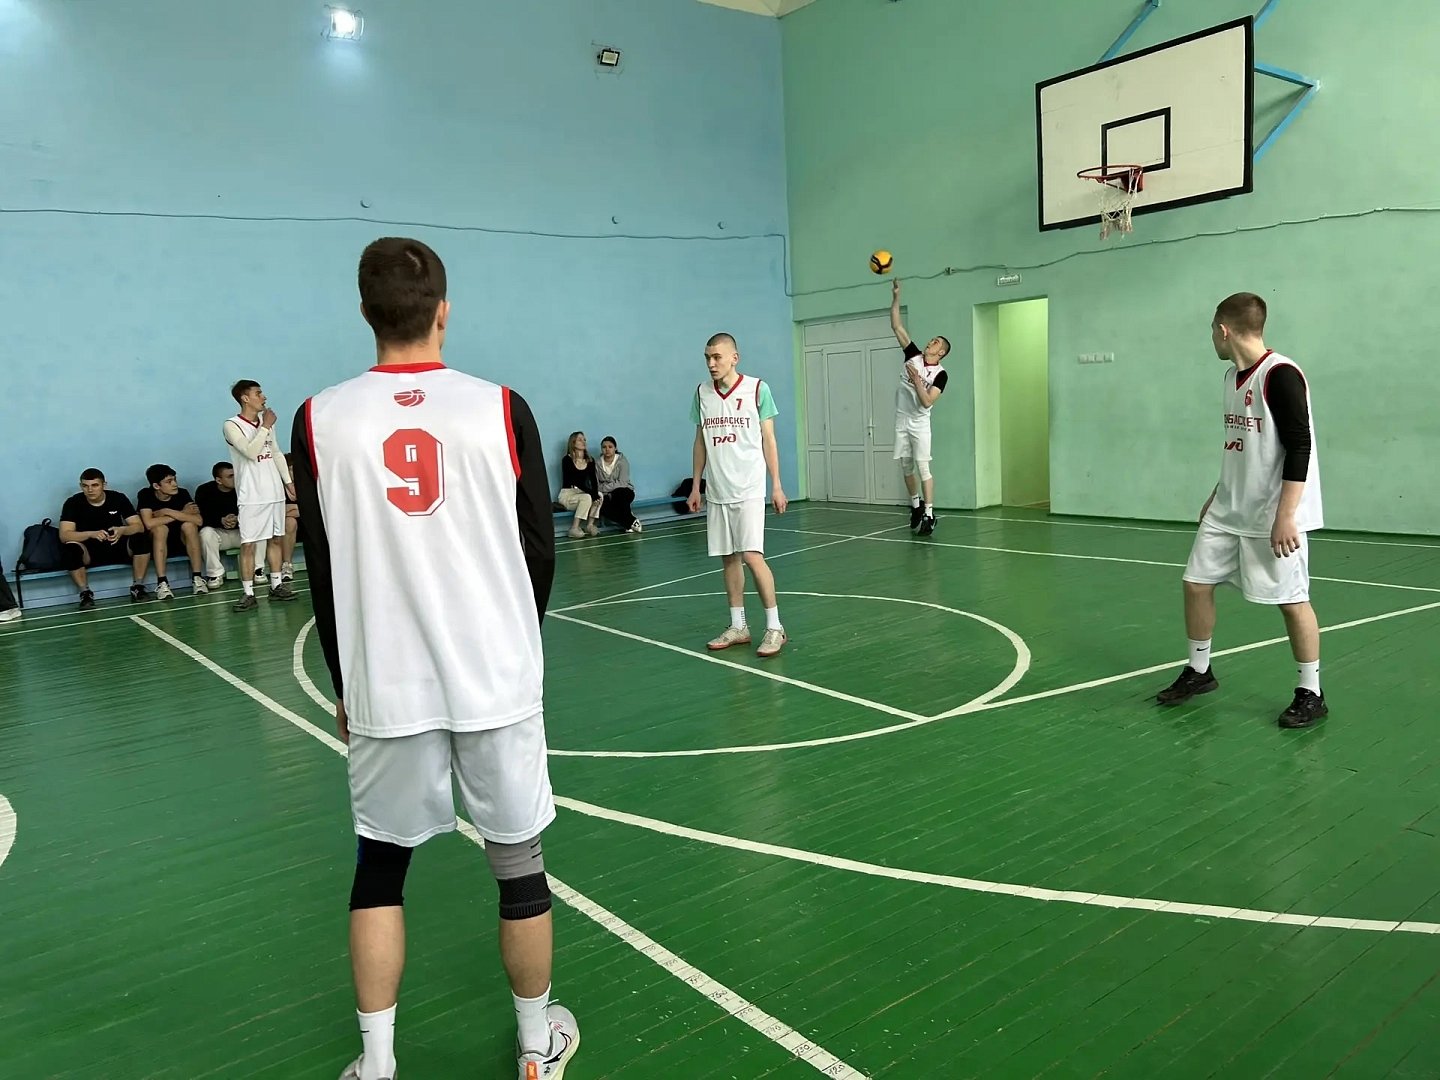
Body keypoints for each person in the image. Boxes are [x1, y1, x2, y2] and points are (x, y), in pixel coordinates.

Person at [290, 236, 577, 1080]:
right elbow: (539, 548)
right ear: (443, 311)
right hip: (495, 677)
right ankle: (536, 1047)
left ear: (365, 312)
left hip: (385, 681)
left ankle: (377, 1062)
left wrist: (347, 682)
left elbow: (322, 566)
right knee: (518, 866)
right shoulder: (502, 407)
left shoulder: (318, 419)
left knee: (379, 867)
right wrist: (515, 647)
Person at [1156, 292, 1327, 729]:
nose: (1212, 338)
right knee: (1196, 583)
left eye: (1212, 330)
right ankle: (1199, 670)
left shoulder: (1280, 375)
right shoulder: (1232, 377)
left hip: (1273, 513)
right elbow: (1243, 445)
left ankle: (1311, 692)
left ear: (1224, 329)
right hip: (1229, 508)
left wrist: (1286, 516)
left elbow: (1300, 446)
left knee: (1292, 601)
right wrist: (1218, 492)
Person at [686, 332, 788, 657]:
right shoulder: (702, 393)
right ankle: (738, 625)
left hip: (749, 488)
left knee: (752, 557)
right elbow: (700, 441)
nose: (711, 363)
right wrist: (696, 485)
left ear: (734, 358)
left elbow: (769, 439)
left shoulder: (758, 389)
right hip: (718, 490)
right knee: (729, 559)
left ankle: (775, 627)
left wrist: (776, 484)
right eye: (707, 357)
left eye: (717, 357)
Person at [225, 380, 298, 610]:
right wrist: (265, 426)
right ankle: (248, 593)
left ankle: (276, 585)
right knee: (248, 544)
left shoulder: (267, 425)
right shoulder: (232, 425)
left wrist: (287, 482)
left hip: (274, 491)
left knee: (276, 539)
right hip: (251, 495)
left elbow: (275, 453)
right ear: (245, 398)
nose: (263, 397)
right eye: (258, 393)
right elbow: (250, 452)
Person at [889, 279, 950, 534]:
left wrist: (916, 381)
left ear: (941, 352)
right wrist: (896, 297)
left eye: (936, 342)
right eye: (932, 339)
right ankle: (916, 506)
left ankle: (929, 513)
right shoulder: (912, 355)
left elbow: (926, 401)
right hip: (902, 419)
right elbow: (896, 325)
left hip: (920, 423)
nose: (931, 342)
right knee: (905, 466)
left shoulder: (940, 375)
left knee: (923, 466)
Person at [57, 468, 153, 609]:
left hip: (117, 545)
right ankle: (85, 593)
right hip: (89, 550)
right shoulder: (73, 503)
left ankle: (138, 587)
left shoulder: (118, 498)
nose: (90, 490)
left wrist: (123, 530)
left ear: (104, 485)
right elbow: (64, 535)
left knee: (141, 538)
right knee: (70, 549)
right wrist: (91, 534)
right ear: (81, 486)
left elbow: (138, 526)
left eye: (95, 485)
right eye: (85, 486)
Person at [136, 464, 207, 599]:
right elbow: (149, 523)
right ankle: (162, 583)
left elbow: (198, 521)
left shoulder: (183, 493)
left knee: (190, 526)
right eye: (169, 482)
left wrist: (167, 511)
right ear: (156, 486)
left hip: (181, 540)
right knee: (160, 529)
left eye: (174, 480)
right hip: (158, 543)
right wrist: (182, 513)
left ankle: (197, 578)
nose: (174, 484)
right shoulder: (145, 494)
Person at [195, 461, 268, 588]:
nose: (235, 479)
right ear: (218, 480)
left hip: (242, 532)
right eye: (230, 476)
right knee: (205, 533)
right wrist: (221, 520)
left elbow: (255, 511)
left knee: (260, 529)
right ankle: (215, 574)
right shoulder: (204, 490)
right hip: (219, 534)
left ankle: (258, 570)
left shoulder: (245, 488)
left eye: (235, 475)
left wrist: (238, 519)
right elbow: (201, 516)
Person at [556, 432, 601, 538]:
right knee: (587, 497)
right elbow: (575, 480)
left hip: (582, 492)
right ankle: (574, 528)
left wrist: (595, 494)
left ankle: (590, 525)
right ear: (573, 442)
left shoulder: (590, 460)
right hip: (568, 494)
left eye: (584, 440)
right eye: (580, 440)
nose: (583, 442)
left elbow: (593, 480)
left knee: (600, 496)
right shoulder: (567, 460)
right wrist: (591, 494)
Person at [595, 436, 641, 533]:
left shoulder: (622, 461)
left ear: (615, 448)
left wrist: (605, 488)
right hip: (606, 495)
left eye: (610, 447)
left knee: (620, 494)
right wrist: (606, 491)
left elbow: (622, 483)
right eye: (604, 447)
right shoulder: (597, 464)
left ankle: (627, 521)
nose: (607, 449)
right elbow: (596, 485)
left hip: (624, 491)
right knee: (601, 506)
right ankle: (630, 521)